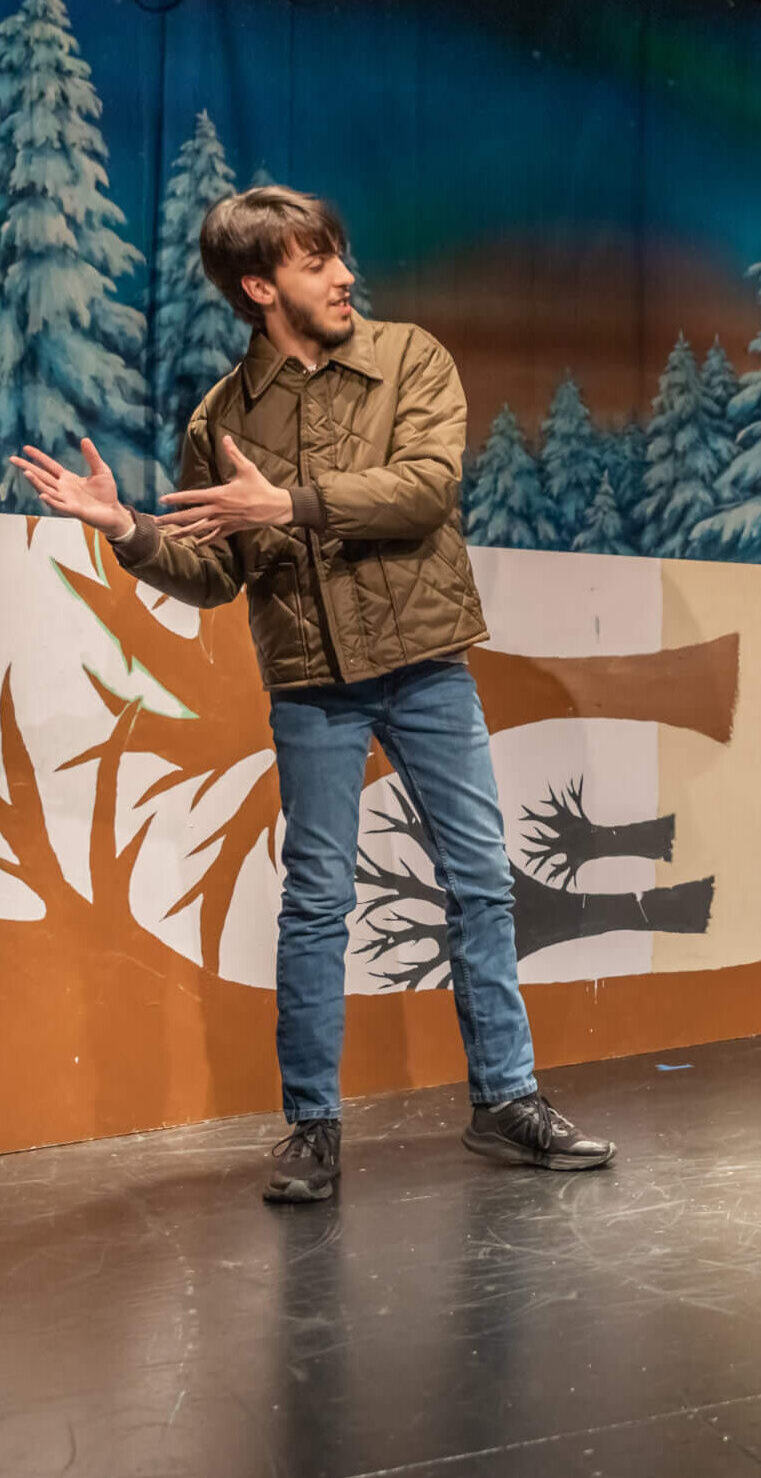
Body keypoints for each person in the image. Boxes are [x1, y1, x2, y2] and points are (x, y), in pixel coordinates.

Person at [8, 186, 615, 1199]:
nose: (343, 276)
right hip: (311, 684)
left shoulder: (408, 359)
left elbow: (427, 487)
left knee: (480, 881)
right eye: (316, 261)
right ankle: (312, 1128)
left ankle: (506, 1102)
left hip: (425, 663)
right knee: (317, 900)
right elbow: (215, 573)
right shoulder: (221, 417)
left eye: (338, 254)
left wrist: (287, 502)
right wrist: (127, 531)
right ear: (260, 287)